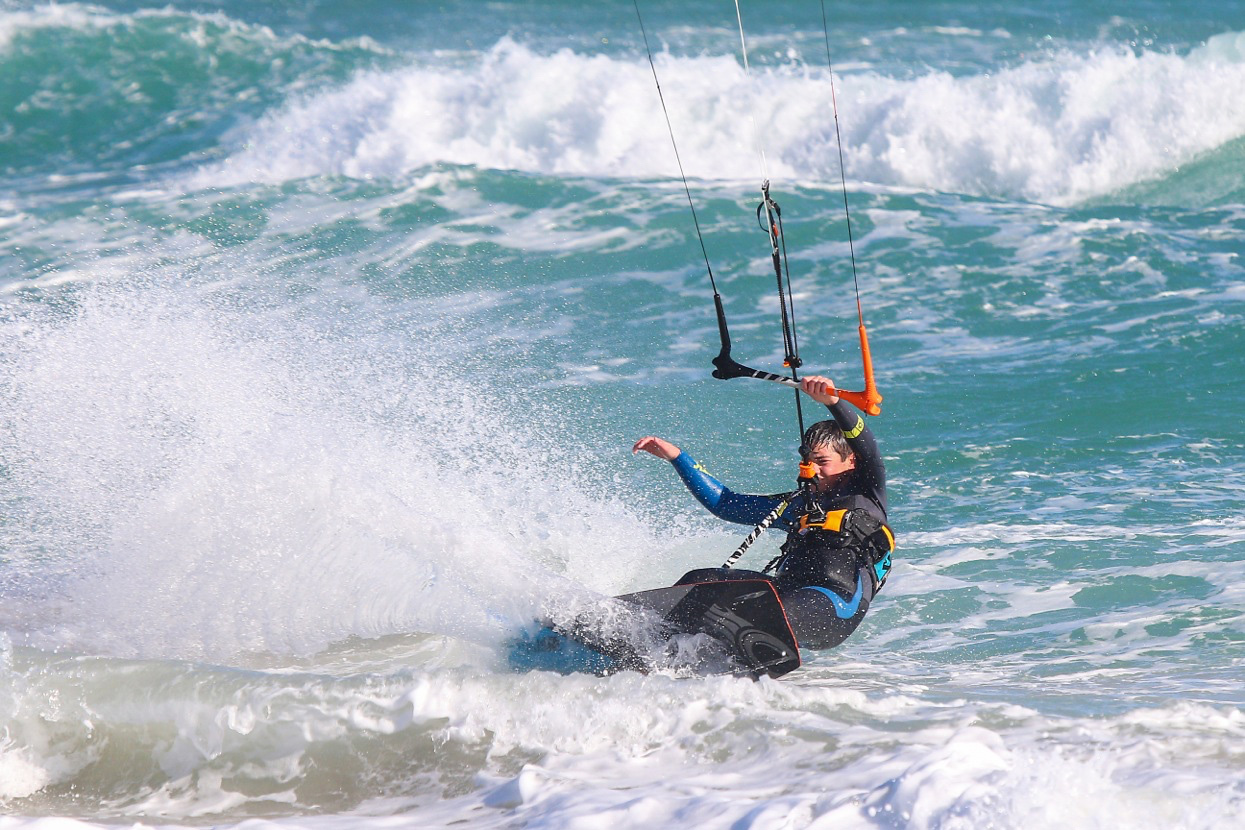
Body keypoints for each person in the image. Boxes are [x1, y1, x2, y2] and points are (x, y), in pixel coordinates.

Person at [632, 375, 893, 650]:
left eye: (823, 462)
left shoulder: (867, 493)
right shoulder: (796, 506)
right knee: (698, 582)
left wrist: (834, 403)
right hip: (785, 593)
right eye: (808, 461)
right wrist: (677, 457)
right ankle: (651, 646)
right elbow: (725, 503)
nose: (812, 470)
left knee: (769, 614)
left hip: (836, 604)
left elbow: (869, 448)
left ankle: (717, 649)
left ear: (851, 461)